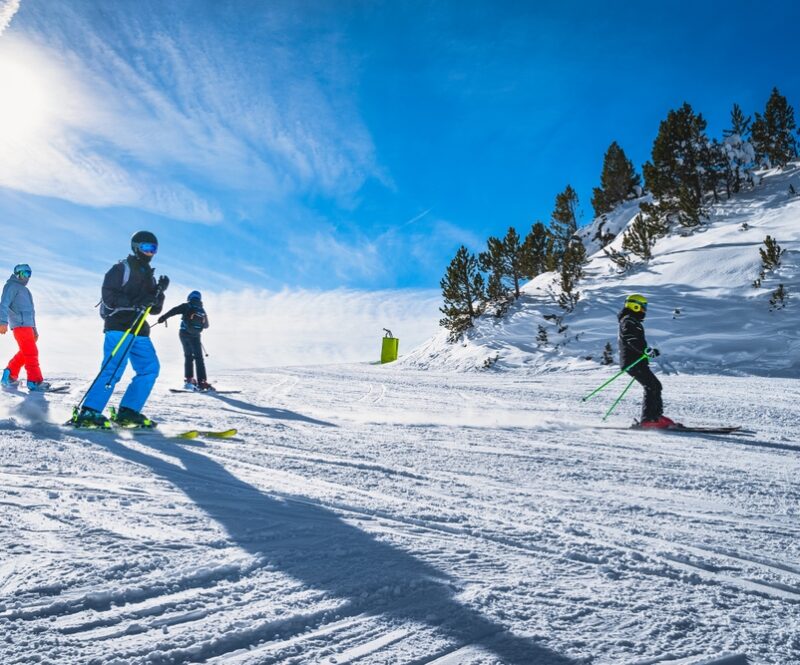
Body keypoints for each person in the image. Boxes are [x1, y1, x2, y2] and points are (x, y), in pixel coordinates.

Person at [72, 231, 169, 428]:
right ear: (135, 247)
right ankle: (90, 411)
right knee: (114, 368)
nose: (150, 253)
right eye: (146, 248)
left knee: (150, 369)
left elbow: (154, 309)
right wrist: (136, 302)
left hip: (140, 330)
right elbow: (109, 296)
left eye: (154, 249)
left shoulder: (149, 275)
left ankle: (128, 412)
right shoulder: (120, 269)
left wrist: (159, 292)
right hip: (119, 326)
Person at [617, 294, 675, 429]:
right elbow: (631, 339)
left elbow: (635, 341)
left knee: (655, 385)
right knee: (652, 386)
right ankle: (649, 419)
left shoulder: (632, 321)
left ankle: (656, 416)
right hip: (632, 362)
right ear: (634, 306)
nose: (644, 310)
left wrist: (646, 351)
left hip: (638, 361)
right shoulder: (628, 321)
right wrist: (645, 350)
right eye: (642, 307)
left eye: (645, 307)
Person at [0, 264, 51, 391]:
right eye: (24, 274)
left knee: (26, 352)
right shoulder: (11, 286)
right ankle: (34, 381)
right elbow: (4, 304)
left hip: (28, 326)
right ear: (17, 274)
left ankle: (10, 373)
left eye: (29, 274)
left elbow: (31, 312)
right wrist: (2, 321)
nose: (26, 277)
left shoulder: (26, 291)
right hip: (19, 325)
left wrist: (35, 329)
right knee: (31, 353)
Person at [157, 290, 214, 391]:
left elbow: (173, 311)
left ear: (190, 297)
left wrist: (163, 318)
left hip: (184, 333)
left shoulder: (186, 306)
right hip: (196, 336)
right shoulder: (202, 310)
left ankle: (189, 380)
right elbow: (206, 326)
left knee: (188, 356)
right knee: (199, 358)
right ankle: (202, 382)